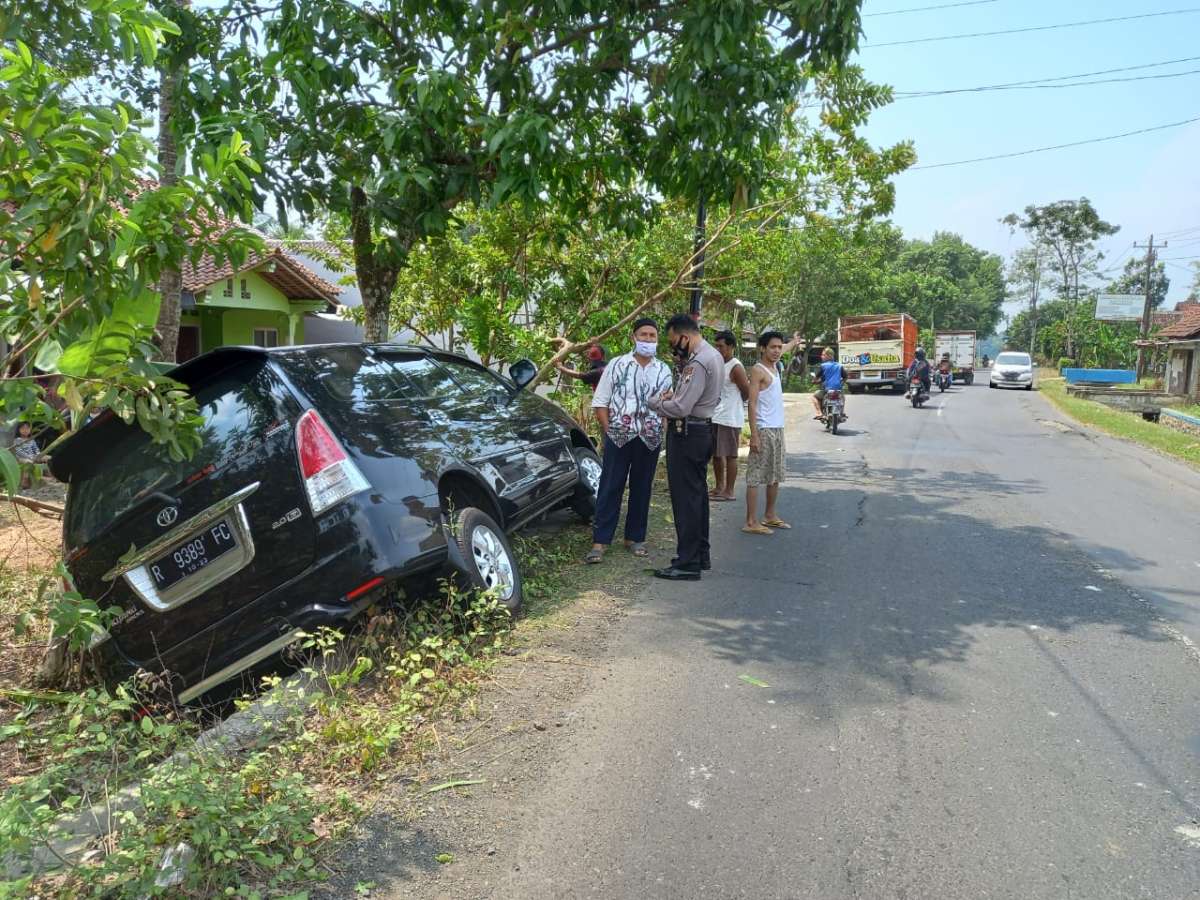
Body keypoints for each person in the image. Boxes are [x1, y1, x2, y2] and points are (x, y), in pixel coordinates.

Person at [585, 321, 672, 564]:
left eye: (652, 335)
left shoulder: (664, 370)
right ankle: (600, 540)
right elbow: (600, 401)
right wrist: (608, 430)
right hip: (619, 436)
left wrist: (661, 428)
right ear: (633, 337)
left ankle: (635, 538)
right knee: (610, 486)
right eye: (643, 334)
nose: (648, 338)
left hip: (650, 438)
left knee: (642, 487)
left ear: (657, 339)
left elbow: (667, 405)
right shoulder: (617, 365)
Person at [647, 313, 724, 581]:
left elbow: (680, 406)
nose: (672, 347)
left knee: (686, 500)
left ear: (684, 336)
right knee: (697, 496)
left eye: (672, 341)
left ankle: (687, 562)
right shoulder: (710, 355)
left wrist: (655, 402)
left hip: (688, 433)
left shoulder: (699, 361)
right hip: (700, 430)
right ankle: (700, 554)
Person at [743, 331, 790, 536]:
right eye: (773, 347)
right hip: (763, 429)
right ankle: (751, 521)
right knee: (756, 476)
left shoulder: (775, 365)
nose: (777, 350)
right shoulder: (758, 370)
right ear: (763, 348)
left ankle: (770, 515)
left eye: (780, 347)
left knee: (775, 474)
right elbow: (752, 404)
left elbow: (784, 348)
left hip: (778, 429)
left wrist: (794, 343)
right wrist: (754, 435)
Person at [710, 330, 750, 502]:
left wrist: (733, 405)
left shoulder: (736, 367)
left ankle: (729, 490)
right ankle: (719, 487)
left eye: (722, 346)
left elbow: (746, 392)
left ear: (731, 347)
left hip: (729, 418)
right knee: (717, 455)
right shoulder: (718, 364)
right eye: (716, 346)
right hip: (715, 416)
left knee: (730, 455)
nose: (718, 349)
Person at [811, 346, 847, 420]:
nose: (822, 356)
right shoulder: (839, 366)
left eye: (824, 355)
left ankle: (819, 413)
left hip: (827, 390)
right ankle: (842, 412)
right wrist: (841, 384)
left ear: (829, 356)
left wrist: (814, 381)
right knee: (842, 397)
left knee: (814, 396)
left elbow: (816, 378)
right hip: (838, 390)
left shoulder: (823, 366)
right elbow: (845, 377)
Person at [11, 422, 41, 490]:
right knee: (28, 463)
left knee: (47, 458)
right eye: (23, 428)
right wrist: (30, 457)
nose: (25, 430)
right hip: (21, 458)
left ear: (30, 429)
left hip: (33, 457)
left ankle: (52, 476)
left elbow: (35, 448)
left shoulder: (31, 440)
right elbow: (19, 451)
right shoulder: (17, 440)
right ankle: (24, 482)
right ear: (18, 430)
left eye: (27, 428)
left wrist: (38, 454)